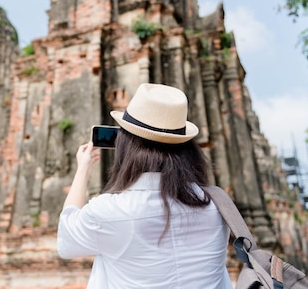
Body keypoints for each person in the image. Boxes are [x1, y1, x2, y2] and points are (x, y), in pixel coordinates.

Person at [57, 83, 232, 288]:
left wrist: (83, 168)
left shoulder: (110, 211)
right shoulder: (216, 207)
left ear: (126, 146)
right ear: (187, 149)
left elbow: (66, 239)